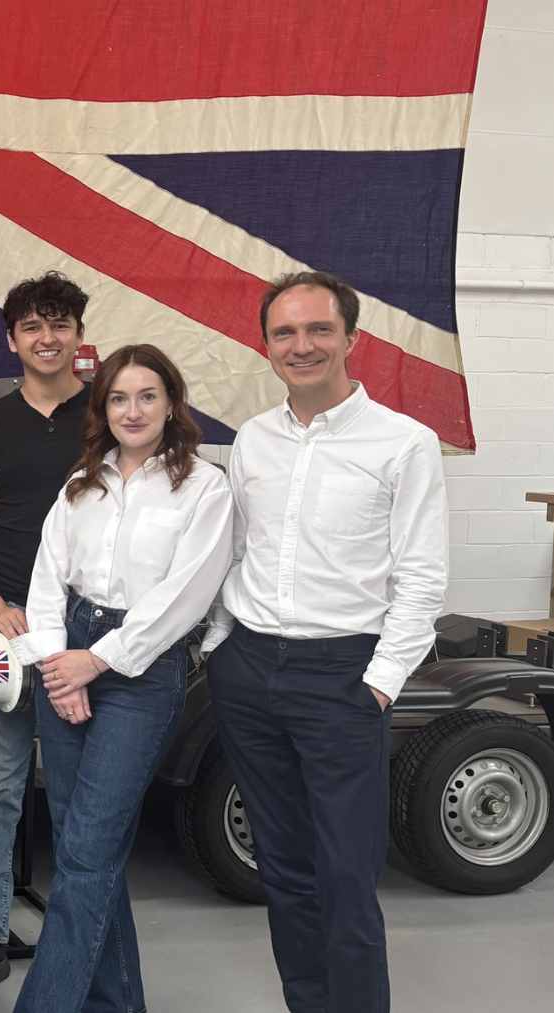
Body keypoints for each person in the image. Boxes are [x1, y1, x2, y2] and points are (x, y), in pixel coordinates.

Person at [203, 271, 447, 1013]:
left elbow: (423, 574)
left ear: (351, 338)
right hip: (249, 670)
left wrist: (380, 680)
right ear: (266, 344)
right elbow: (233, 548)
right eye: (285, 332)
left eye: (317, 330)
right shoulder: (253, 440)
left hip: (344, 677)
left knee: (346, 876)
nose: (301, 345)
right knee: (283, 869)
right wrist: (220, 643)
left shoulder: (405, 443)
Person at [8, 344, 232, 1012]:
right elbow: (46, 578)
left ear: (171, 402)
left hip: (138, 668)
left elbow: (185, 596)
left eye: (147, 396)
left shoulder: (203, 486)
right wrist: (59, 664)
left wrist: (97, 660)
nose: (132, 410)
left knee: (84, 851)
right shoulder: (83, 482)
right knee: (89, 855)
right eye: (118, 398)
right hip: (65, 655)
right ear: (101, 407)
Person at [0, 271, 91, 994]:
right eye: (32, 326)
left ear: (79, 336)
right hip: (7, 629)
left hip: (85, 632)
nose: (47, 337)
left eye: (60, 324)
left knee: (78, 790)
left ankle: (81, 930)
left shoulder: (109, 414)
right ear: (12, 339)